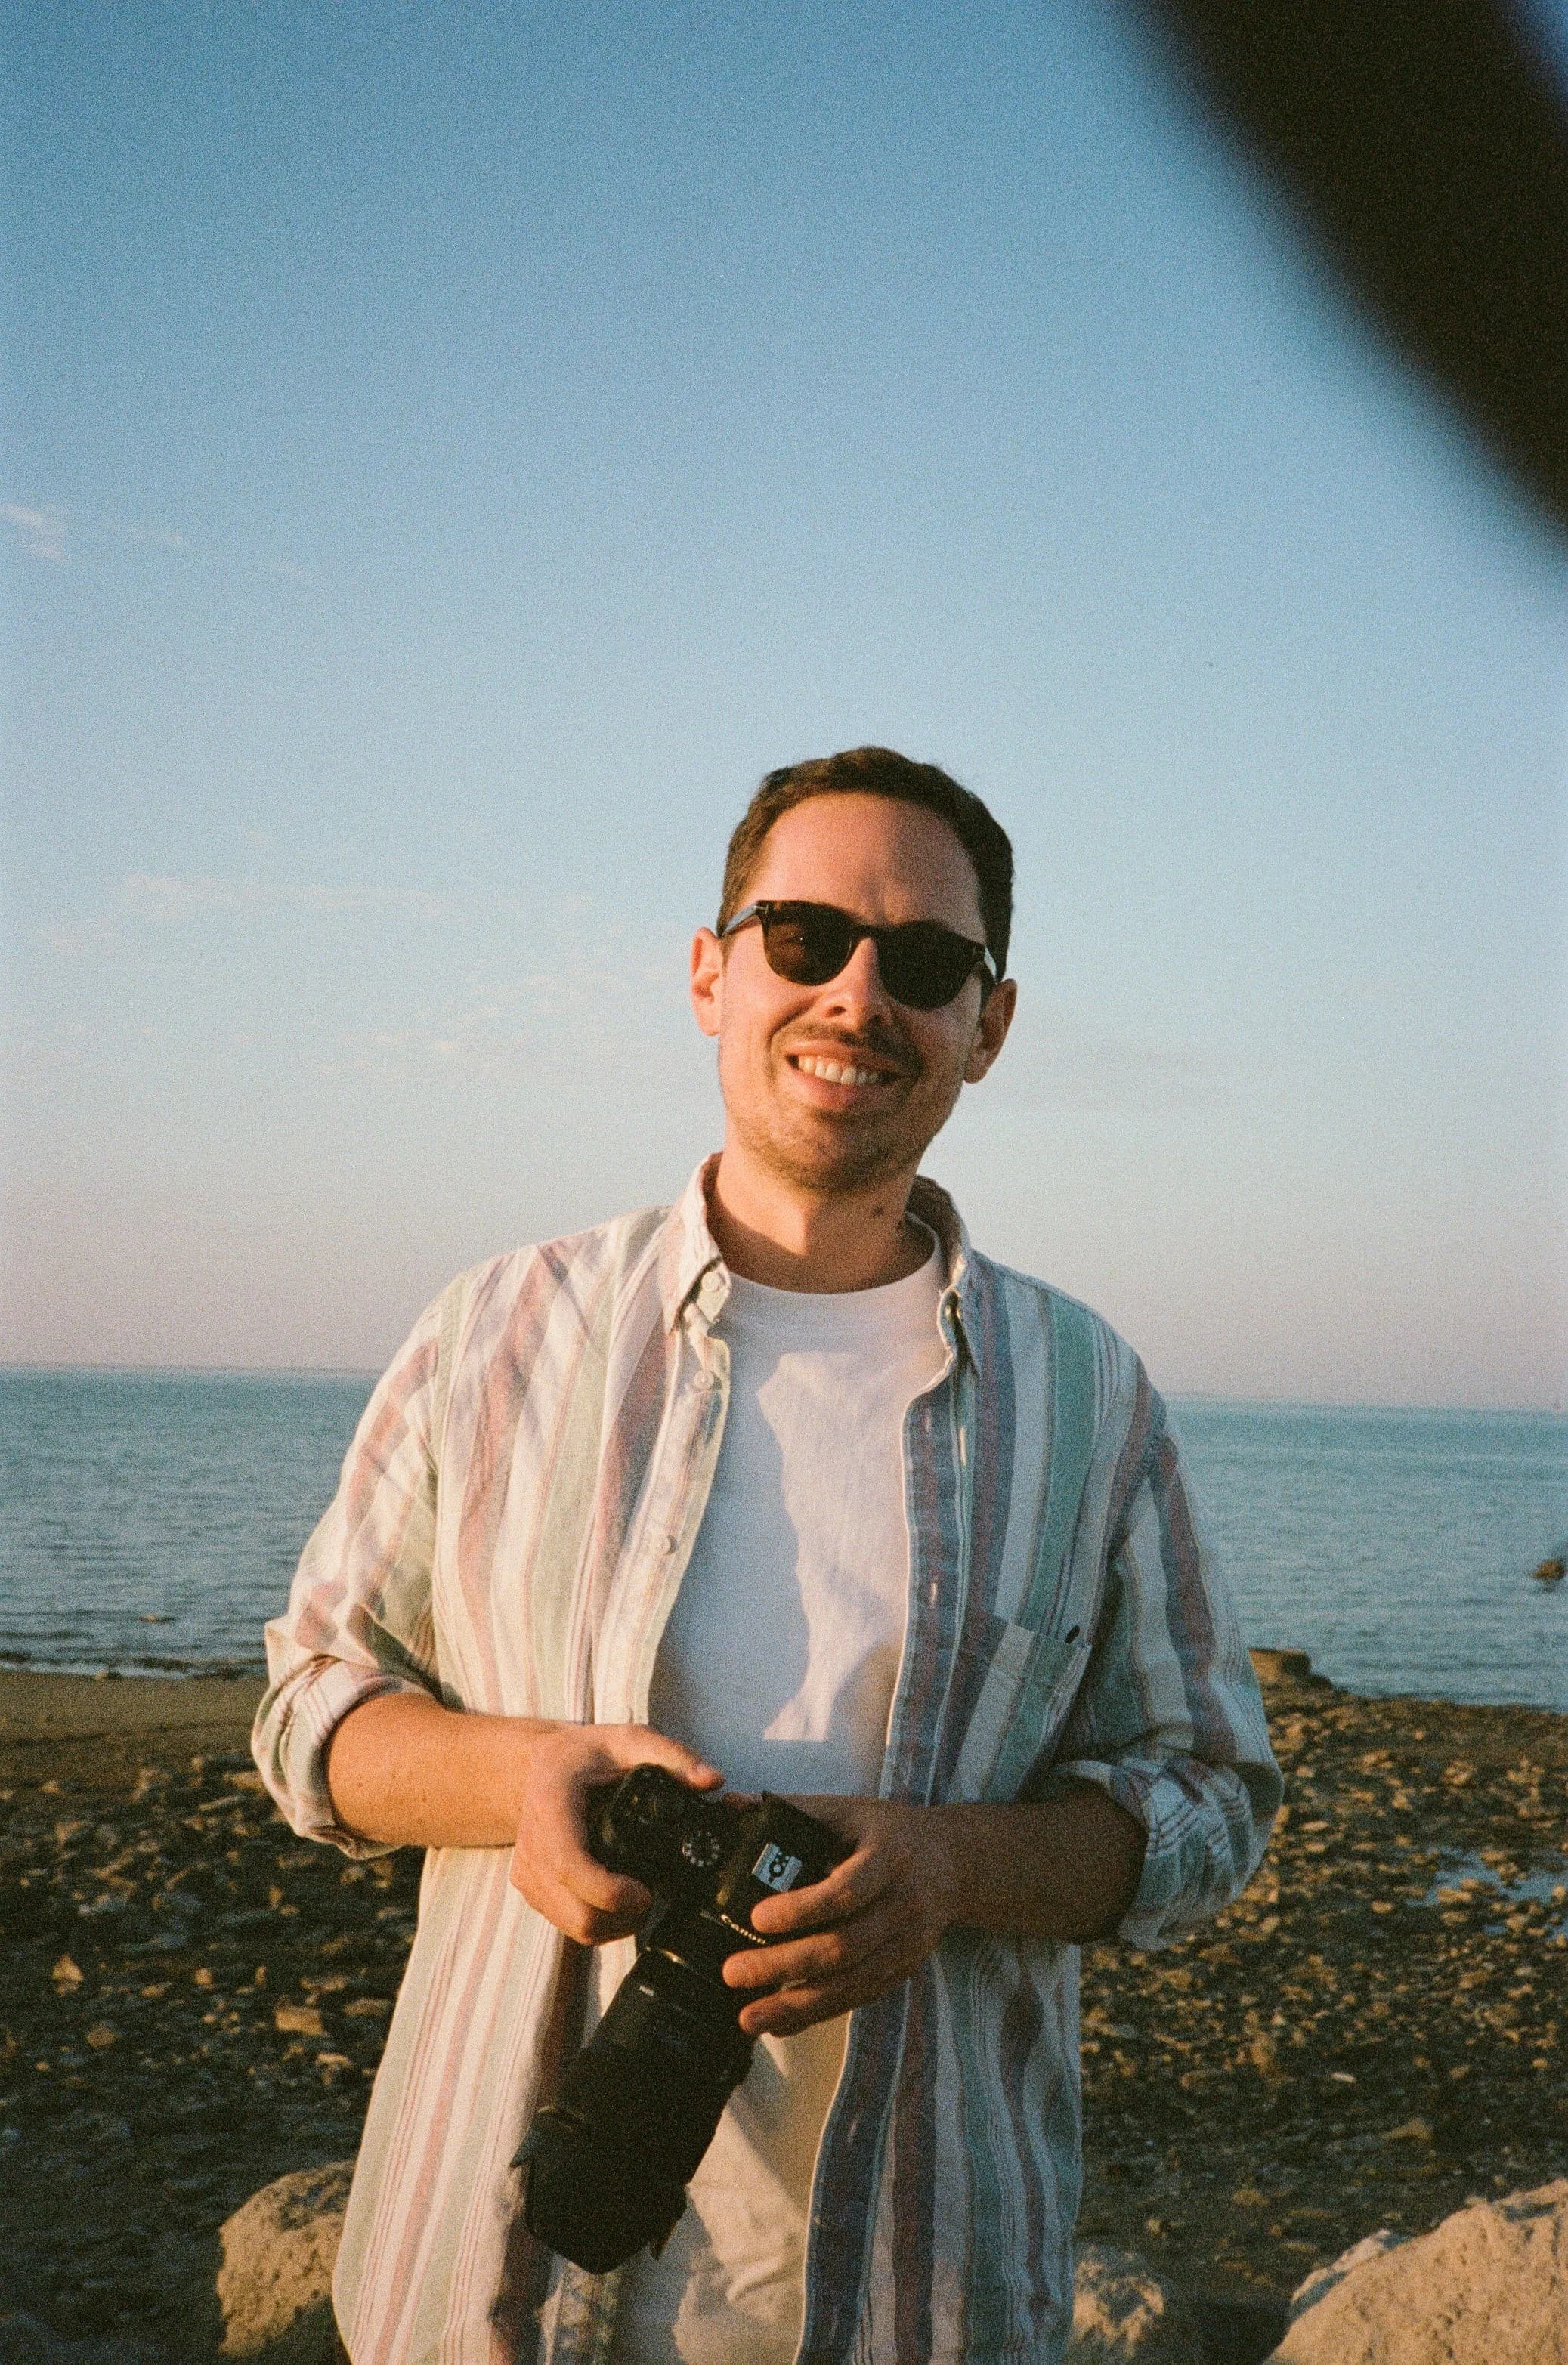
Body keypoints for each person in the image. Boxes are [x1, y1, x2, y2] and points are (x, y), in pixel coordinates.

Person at [254, 746, 1282, 2365]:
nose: (856, 993)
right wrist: (521, 1781)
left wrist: (947, 1868)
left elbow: (1213, 1793)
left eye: (925, 961)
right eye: (801, 936)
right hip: (485, 2293)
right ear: (708, 972)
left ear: (985, 1025)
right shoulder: (494, 1333)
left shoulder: (1087, 1398)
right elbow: (312, 1708)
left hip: (915, 2297)